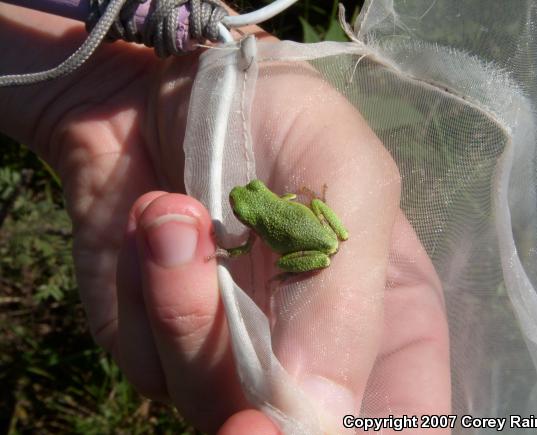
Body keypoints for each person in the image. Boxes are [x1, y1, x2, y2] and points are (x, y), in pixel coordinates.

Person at [0, 2, 451, 433]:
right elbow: (266, 219)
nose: (244, 198)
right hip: (315, 224)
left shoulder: (258, 223)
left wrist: (244, 253)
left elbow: (247, 243)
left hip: (312, 243)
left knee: (305, 261)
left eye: (245, 203)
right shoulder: (269, 204)